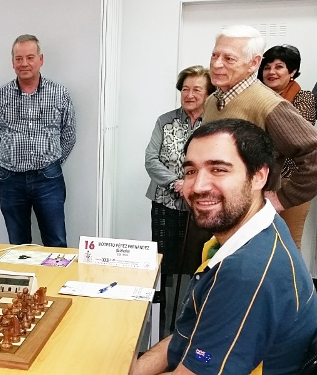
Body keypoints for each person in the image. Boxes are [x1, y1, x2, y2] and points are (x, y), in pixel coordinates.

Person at [134, 119, 317, 374]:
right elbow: (188, 336)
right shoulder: (260, 228)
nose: (198, 186)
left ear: (259, 176)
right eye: (190, 171)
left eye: (218, 170)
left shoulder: (247, 273)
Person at [203, 25, 317, 216]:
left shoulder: (269, 105)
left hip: (249, 219)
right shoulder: (211, 101)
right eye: (215, 56)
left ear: (254, 63)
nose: (216, 64)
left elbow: (313, 152)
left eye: (228, 58)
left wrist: (283, 198)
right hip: (214, 213)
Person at [0, 34, 76, 248]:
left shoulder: (59, 94)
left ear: (41, 60)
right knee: (18, 246)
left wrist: (52, 162)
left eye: (30, 57)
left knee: (56, 243)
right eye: (19, 58)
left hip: (48, 179)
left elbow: (69, 134)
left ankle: (56, 282)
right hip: (10, 181)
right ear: (12, 62)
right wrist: (8, 160)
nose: (24, 63)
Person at [144, 65, 214, 330]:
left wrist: (194, 185)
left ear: (209, 93)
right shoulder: (165, 120)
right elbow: (151, 159)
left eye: (197, 89)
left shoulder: (216, 124)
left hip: (204, 206)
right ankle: (161, 321)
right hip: (165, 202)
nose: (189, 94)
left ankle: (195, 318)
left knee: (200, 261)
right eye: (185, 89)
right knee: (164, 259)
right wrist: (177, 183)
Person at [259, 44, 316, 248]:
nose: (271, 72)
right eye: (267, 67)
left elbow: (296, 138)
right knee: (262, 244)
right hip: (262, 180)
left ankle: (295, 281)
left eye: (279, 67)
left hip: (292, 181)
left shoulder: (304, 98)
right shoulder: (255, 97)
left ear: (292, 72)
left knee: (289, 243)